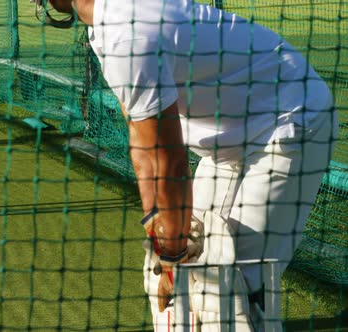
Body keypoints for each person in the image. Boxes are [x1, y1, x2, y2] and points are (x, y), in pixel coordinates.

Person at [33, 0, 339, 330]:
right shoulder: (105, 25)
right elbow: (142, 143)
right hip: (230, 139)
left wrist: (172, 255)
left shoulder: (125, 31)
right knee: (188, 262)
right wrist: (158, 231)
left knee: (234, 283)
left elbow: (170, 161)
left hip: (289, 119)